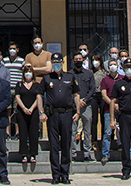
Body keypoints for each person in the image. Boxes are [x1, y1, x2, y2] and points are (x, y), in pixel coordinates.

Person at [42, 52, 81, 184]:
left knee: (66, 144)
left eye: (58, 63)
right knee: (53, 145)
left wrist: (78, 111)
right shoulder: (47, 78)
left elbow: (76, 95)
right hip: (52, 115)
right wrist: (42, 112)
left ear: (63, 63)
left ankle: (65, 174)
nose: (56, 65)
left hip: (67, 114)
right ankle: (55, 175)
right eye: (54, 63)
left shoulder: (70, 77)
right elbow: (39, 95)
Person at [15, 64, 44, 164]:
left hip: (34, 111)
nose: (28, 74)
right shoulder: (19, 85)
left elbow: (38, 97)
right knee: (23, 133)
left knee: (33, 133)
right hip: (22, 112)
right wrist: (24, 108)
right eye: (26, 72)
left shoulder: (37, 85)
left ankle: (33, 154)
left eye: (30, 72)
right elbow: (17, 97)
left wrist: (32, 108)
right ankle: (23, 154)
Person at [71, 51, 95, 162]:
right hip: (73, 107)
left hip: (86, 105)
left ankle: (87, 153)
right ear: (73, 61)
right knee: (73, 130)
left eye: (80, 59)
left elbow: (92, 89)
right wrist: (76, 102)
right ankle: (73, 153)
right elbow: (68, 90)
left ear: (84, 60)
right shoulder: (69, 74)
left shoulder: (89, 74)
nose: (78, 61)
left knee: (87, 130)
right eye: (76, 60)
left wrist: (84, 100)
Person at [99, 57, 123, 164]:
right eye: (111, 65)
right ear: (108, 67)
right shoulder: (105, 80)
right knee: (107, 132)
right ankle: (105, 154)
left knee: (124, 132)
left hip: (122, 109)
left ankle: (128, 154)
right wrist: (113, 104)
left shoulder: (122, 78)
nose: (113, 66)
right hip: (108, 110)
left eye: (115, 64)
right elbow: (104, 95)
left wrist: (119, 105)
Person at [3, 43, 25, 138]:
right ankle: (7, 132)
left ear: (17, 50)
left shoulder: (21, 61)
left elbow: (25, 73)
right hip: (7, 89)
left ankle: (17, 132)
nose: (12, 50)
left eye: (14, 48)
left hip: (17, 89)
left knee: (17, 111)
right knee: (7, 111)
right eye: (10, 48)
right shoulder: (4, 61)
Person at [89, 53, 107, 154]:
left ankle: (105, 141)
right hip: (93, 96)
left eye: (97, 60)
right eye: (93, 60)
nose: (95, 62)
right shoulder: (90, 72)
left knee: (104, 118)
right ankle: (94, 141)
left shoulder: (105, 72)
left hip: (103, 95)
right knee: (94, 119)